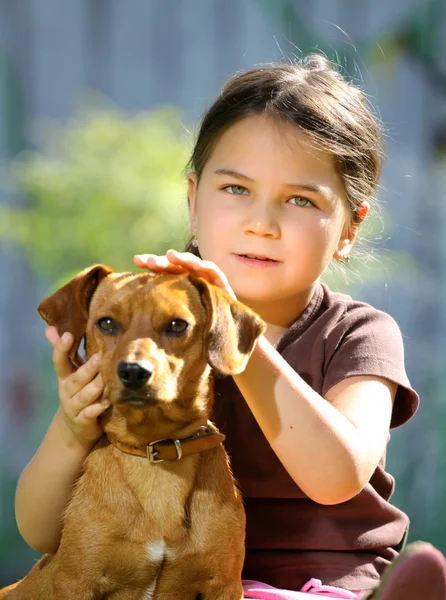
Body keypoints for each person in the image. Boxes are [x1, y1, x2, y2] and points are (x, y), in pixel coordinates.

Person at [15, 55, 446, 599]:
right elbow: (41, 532)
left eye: (300, 199)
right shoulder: (150, 336)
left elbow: (338, 476)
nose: (261, 224)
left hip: (320, 582)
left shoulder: (358, 334)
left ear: (348, 228)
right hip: (170, 580)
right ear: (194, 201)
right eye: (236, 189)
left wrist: (235, 335)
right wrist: (72, 429)